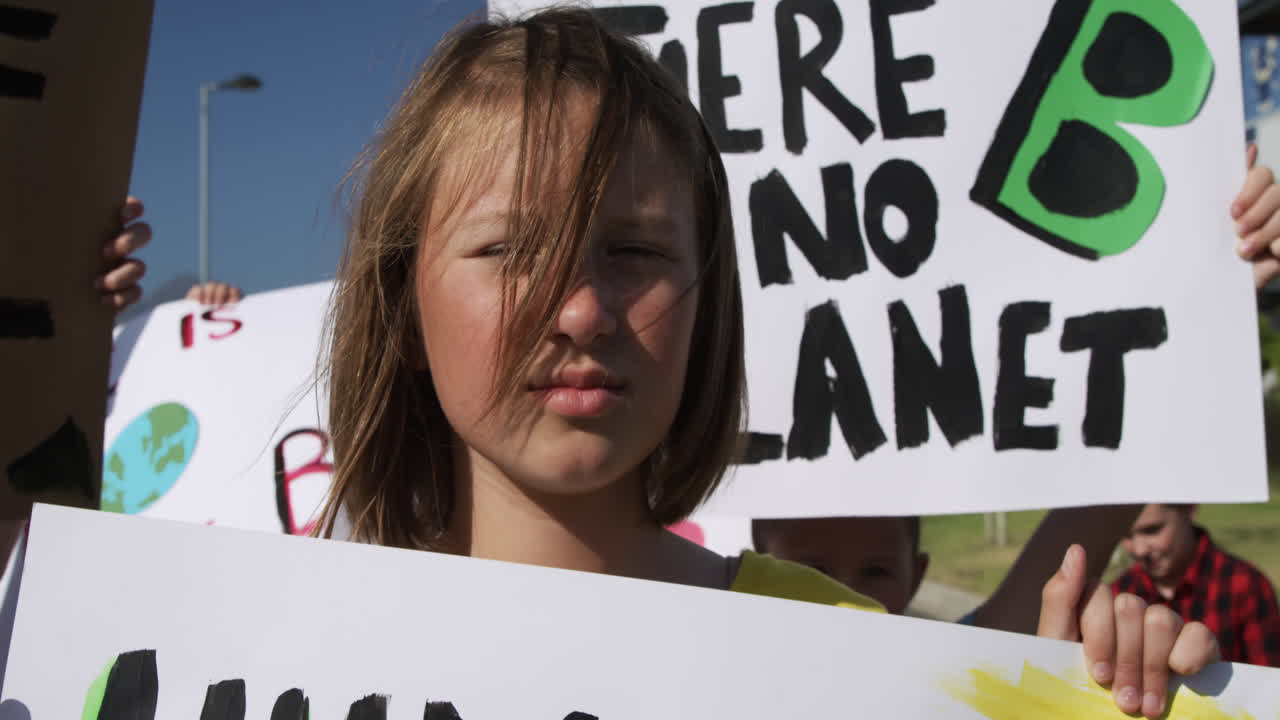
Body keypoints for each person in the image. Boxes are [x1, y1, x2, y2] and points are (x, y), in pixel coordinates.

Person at [107, 9, 1214, 717]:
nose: (581, 309)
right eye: (506, 251)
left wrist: (1111, 681)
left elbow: (974, 675)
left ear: (707, 301)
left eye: (635, 251)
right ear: (399, 298)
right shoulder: (243, 646)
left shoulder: (821, 641)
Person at [1111, 504, 1280, 667]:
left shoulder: (1244, 585)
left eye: (1152, 530)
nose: (1139, 550)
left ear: (1189, 509)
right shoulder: (1118, 594)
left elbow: (1269, 683)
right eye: (1126, 535)